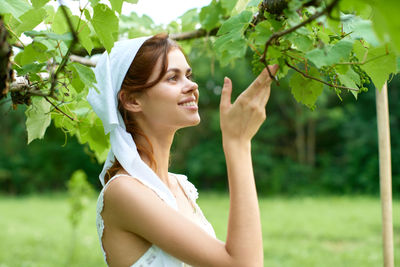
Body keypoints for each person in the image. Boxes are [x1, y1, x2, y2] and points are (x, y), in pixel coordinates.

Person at [87, 33, 278, 267]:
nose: (192, 85)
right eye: (172, 78)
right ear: (132, 100)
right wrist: (237, 143)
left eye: (188, 75)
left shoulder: (181, 187)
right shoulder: (123, 191)